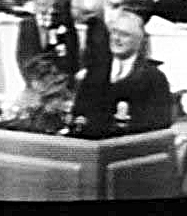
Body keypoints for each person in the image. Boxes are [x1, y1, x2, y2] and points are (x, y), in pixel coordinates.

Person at [72, 8, 172, 138]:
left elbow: (159, 125)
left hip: (131, 151)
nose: (116, 39)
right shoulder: (95, 71)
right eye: (114, 32)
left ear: (139, 40)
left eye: (124, 34)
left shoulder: (154, 78)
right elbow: (79, 112)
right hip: (92, 147)